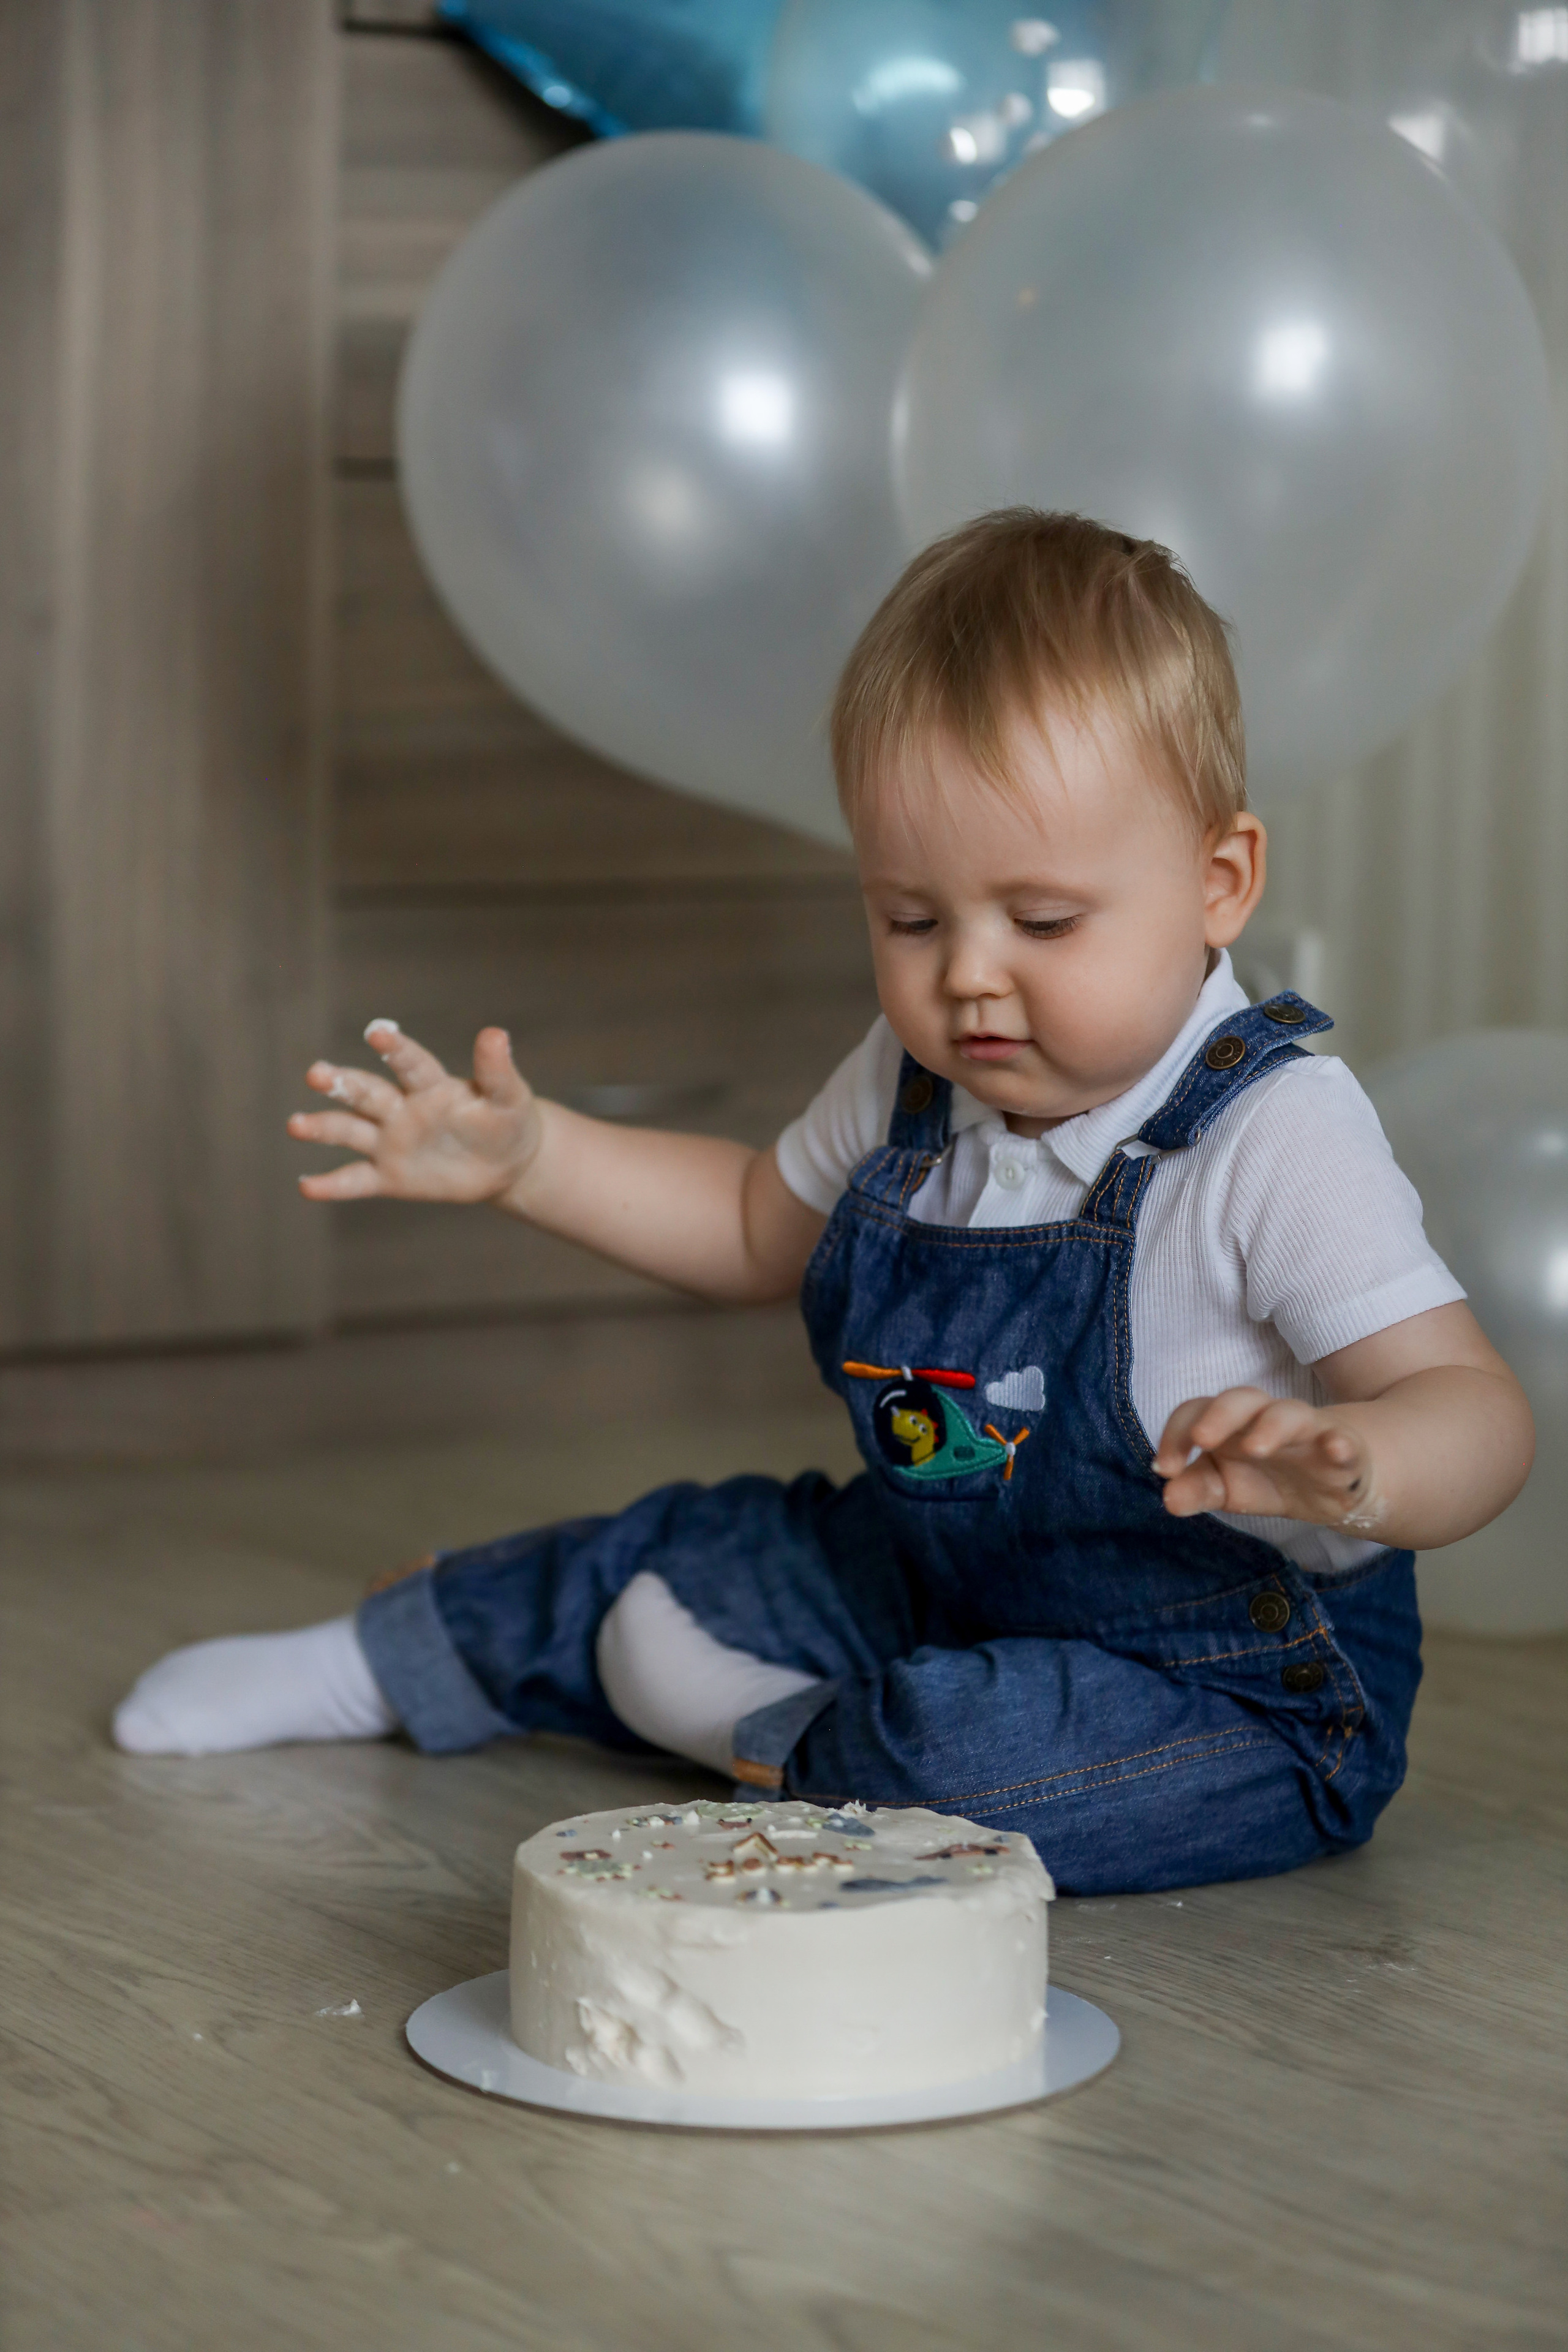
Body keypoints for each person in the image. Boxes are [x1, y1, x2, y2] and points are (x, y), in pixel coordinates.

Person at [113, 511, 1533, 1894]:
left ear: (1217, 882)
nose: (968, 975)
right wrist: (531, 1157)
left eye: (1041, 923)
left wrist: (1361, 1462)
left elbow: (1473, 1409)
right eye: (910, 919)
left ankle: (790, 1737)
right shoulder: (913, 1079)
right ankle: (386, 1657)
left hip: (1229, 1684)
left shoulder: (1273, 1132)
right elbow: (745, 1224)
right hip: (927, 1571)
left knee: (967, 1760)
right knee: (685, 1553)